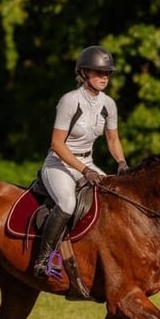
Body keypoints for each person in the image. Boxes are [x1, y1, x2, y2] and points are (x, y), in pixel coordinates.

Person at [32, 45, 130, 279]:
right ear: (84, 73)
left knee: (116, 199)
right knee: (67, 203)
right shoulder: (70, 101)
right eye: (98, 72)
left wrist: (122, 162)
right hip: (59, 164)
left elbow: (112, 138)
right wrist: (84, 170)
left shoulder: (109, 105)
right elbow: (57, 143)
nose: (104, 77)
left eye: (107, 73)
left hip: (87, 164)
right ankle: (43, 260)